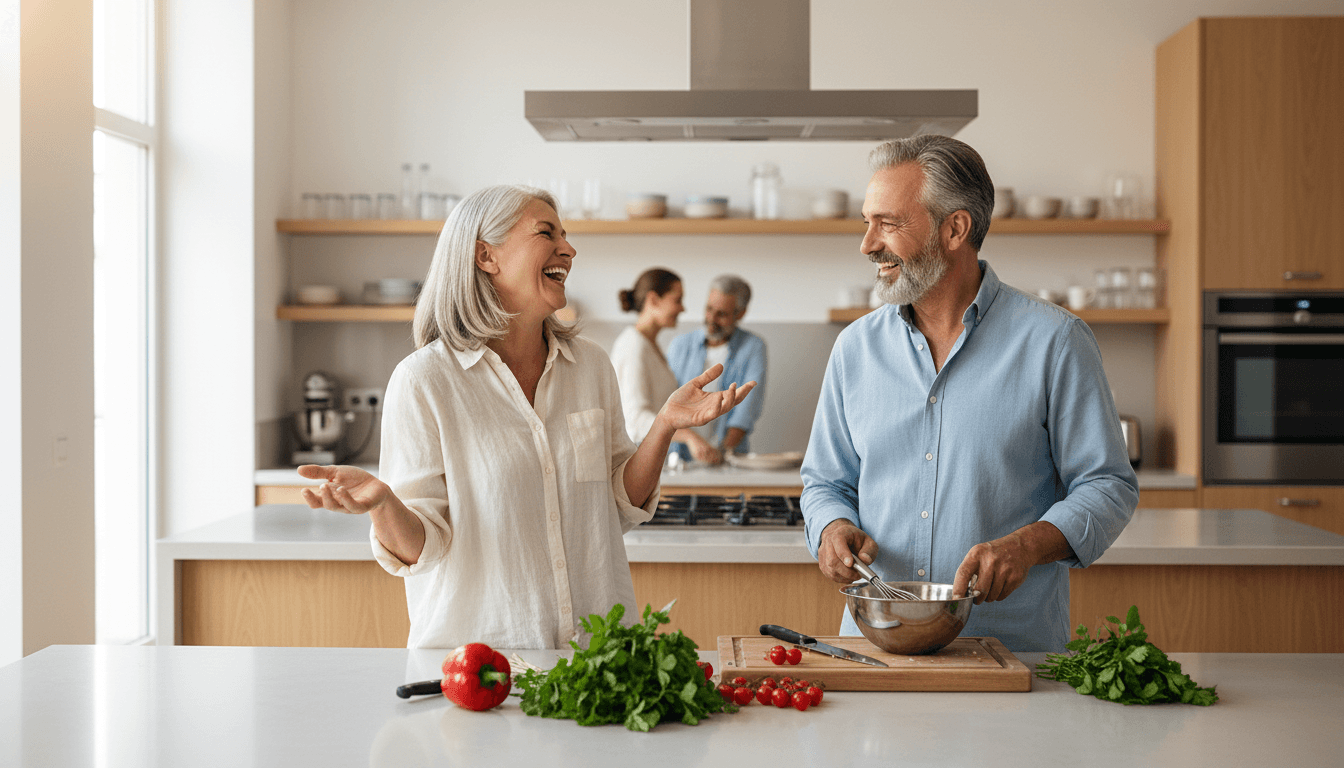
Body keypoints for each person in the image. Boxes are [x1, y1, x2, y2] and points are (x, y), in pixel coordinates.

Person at [296, 185, 755, 650]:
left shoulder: (590, 366)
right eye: (546, 233)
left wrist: (663, 426)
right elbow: (423, 547)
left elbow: (616, 504)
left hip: (593, 661)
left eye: (566, 235)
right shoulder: (425, 380)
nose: (569, 249)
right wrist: (383, 505)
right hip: (481, 669)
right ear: (485, 256)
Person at [800, 136, 1138, 652]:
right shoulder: (855, 349)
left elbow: (1107, 486)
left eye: (888, 224)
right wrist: (830, 527)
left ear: (954, 228)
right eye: (867, 222)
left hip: (1010, 652)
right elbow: (823, 481)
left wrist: (1026, 546)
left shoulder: (1055, 341)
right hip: (875, 651)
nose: (867, 244)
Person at [665, 274, 767, 464]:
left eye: (721, 314)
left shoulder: (753, 347)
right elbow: (666, 405)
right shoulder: (679, 345)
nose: (711, 319)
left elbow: (746, 409)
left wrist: (722, 452)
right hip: (678, 457)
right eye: (709, 309)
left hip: (729, 457)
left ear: (740, 314)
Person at [610, 268, 710, 451]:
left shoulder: (649, 345)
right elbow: (635, 420)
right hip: (636, 458)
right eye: (677, 300)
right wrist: (688, 436)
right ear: (653, 300)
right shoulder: (633, 346)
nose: (683, 308)